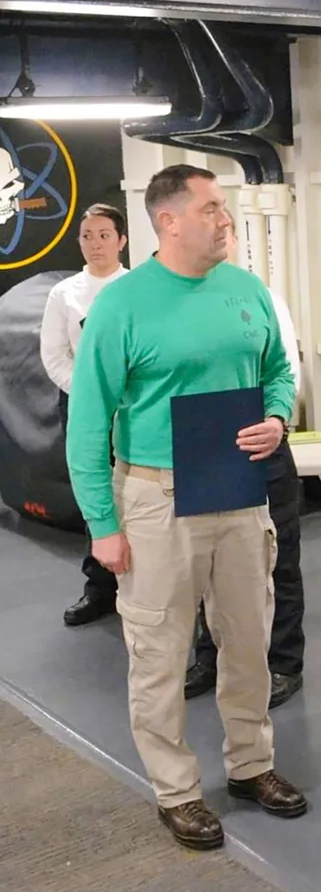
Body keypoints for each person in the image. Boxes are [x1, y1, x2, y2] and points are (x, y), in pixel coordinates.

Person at [66, 164, 307, 851]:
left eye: (224, 207)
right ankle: (176, 790)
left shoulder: (247, 290)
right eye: (210, 208)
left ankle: (251, 763)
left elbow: (279, 371)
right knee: (160, 652)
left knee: (248, 640)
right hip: (154, 496)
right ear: (169, 220)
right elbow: (88, 423)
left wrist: (277, 416)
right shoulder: (123, 303)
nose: (224, 218)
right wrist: (102, 526)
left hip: (238, 488)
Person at [185, 214, 305, 709]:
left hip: (261, 445)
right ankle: (210, 657)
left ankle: (283, 664)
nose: (219, 235)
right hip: (199, 450)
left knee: (279, 562)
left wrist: (277, 420)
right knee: (204, 565)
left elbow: (286, 368)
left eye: (227, 229)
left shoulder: (259, 296)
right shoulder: (174, 301)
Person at [39, 203, 129, 626]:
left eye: (104, 234)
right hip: (83, 405)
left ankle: (140, 584)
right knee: (96, 495)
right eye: (87, 236)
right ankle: (99, 588)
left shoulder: (136, 290)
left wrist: (120, 398)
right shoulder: (65, 294)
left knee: (134, 495)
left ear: (122, 240)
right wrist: (94, 397)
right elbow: (54, 356)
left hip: (133, 409)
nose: (96, 244)